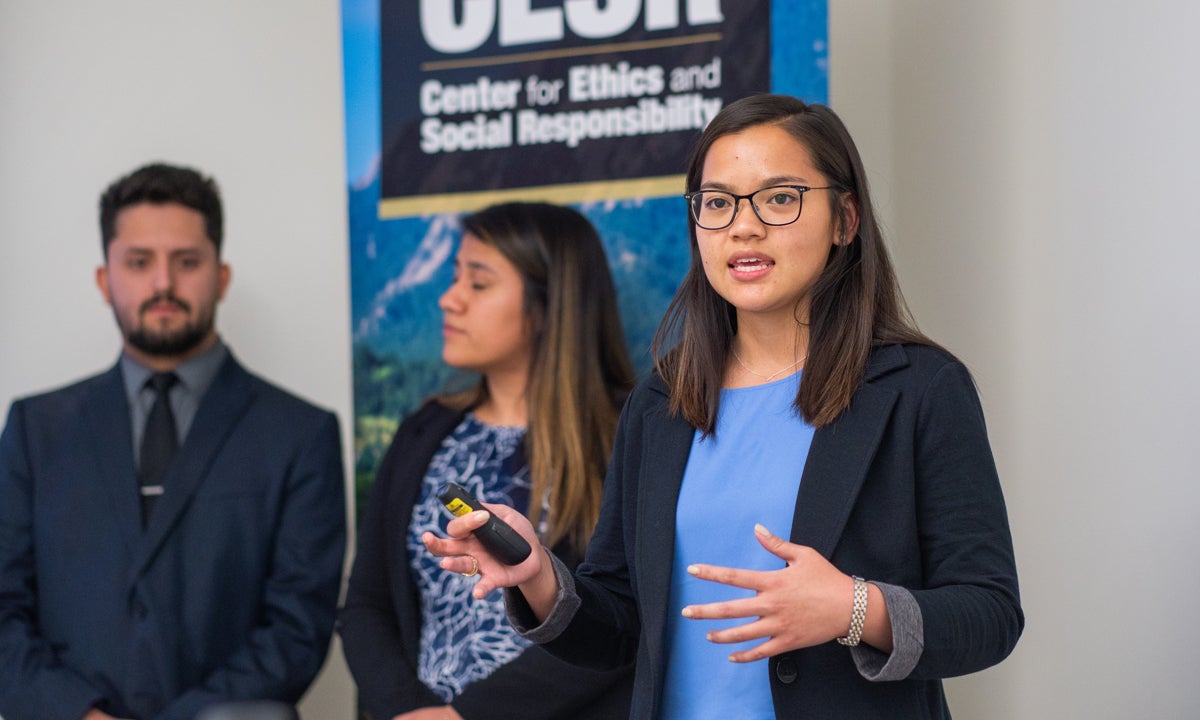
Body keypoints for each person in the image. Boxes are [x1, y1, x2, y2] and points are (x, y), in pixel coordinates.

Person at [424, 95, 1024, 718]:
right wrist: (539, 577)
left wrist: (852, 608)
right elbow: (622, 624)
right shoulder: (661, 400)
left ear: (845, 219)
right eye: (718, 203)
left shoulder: (920, 388)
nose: (744, 226)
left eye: (779, 197)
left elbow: (990, 613)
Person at [0, 163, 347, 720]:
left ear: (222, 275)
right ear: (103, 278)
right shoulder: (35, 430)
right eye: (139, 262)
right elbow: (4, 610)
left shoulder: (300, 434)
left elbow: (297, 629)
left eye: (186, 262)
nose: (163, 283)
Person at [338, 202, 636, 720]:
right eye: (455, 278)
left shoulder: (628, 439)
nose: (449, 300)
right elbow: (367, 605)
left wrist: (467, 717)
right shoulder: (422, 433)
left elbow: (625, 621)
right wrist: (410, 711)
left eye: (478, 283)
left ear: (549, 304)